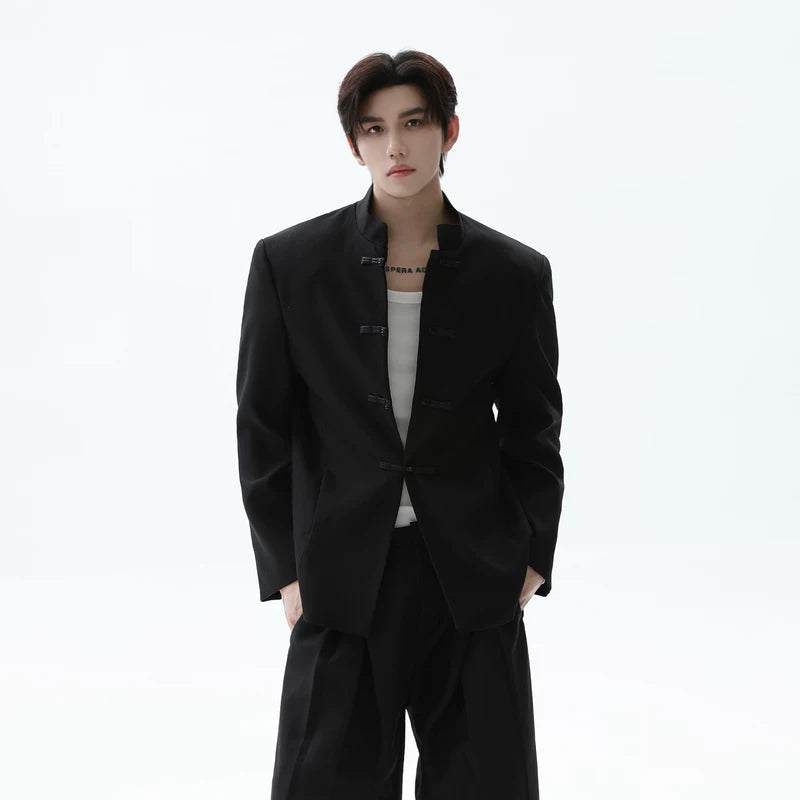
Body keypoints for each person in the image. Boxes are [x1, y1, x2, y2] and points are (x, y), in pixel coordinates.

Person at [236, 49, 564, 800]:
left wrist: (531, 558)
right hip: (342, 577)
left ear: (449, 131)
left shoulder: (513, 274)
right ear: (354, 144)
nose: (395, 146)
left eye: (413, 123)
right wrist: (286, 573)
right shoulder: (290, 264)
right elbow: (262, 428)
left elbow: (534, 428)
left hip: (472, 576)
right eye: (374, 128)